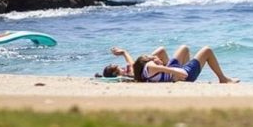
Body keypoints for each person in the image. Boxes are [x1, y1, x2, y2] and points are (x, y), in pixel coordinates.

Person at [99, 45, 239, 83]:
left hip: (171, 71)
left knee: (184, 48)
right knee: (207, 50)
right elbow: (163, 69)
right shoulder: (132, 74)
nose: (123, 68)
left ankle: (191, 69)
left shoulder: (136, 69)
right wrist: (180, 75)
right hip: (181, 74)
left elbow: (132, 62)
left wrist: (123, 52)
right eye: (119, 69)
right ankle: (222, 78)